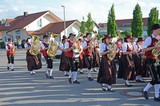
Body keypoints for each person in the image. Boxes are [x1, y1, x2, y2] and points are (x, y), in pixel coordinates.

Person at [142, 24, 160, 101]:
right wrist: (154, 47)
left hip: (157, 59)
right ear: (154, 30)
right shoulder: (149, 38)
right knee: (155, 78)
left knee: (158, 79)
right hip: (150, 60)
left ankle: (156, 96)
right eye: (159, 30)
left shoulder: (158, 38)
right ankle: (145, 89)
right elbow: (143, 49)